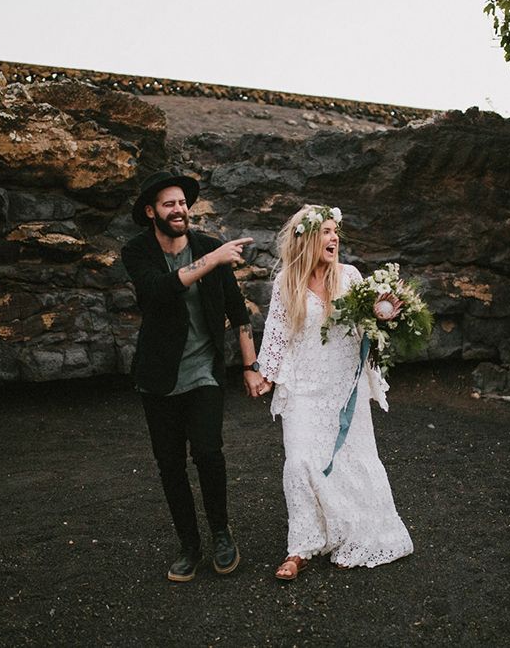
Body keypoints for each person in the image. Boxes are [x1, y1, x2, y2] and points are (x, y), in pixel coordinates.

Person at [121, 170, 265, 582]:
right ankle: (189, 544)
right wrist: (214, 260)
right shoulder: (138, 251)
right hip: (158, 376)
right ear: (151, 212)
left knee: (207, 452)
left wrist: (251, 368)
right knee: (170, 465)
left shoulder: (207, 247)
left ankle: (221, 534)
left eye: (183, 202)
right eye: (169, 204)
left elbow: (238, 311)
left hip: (204, 372)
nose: (179, 209)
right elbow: (157, 291)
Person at [255, 204, 413, 580]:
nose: (334, 238)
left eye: (335, 231)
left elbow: (371, 326)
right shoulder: (287, 283)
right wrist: (265, 374)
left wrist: (386, 316)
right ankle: (301, 546)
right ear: (308, 238)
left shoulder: (351, 277)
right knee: (299, 461)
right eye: (325, 231)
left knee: (347, 459)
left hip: (344, 387)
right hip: (303, 387)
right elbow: (276, 333)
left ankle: (354, 534)